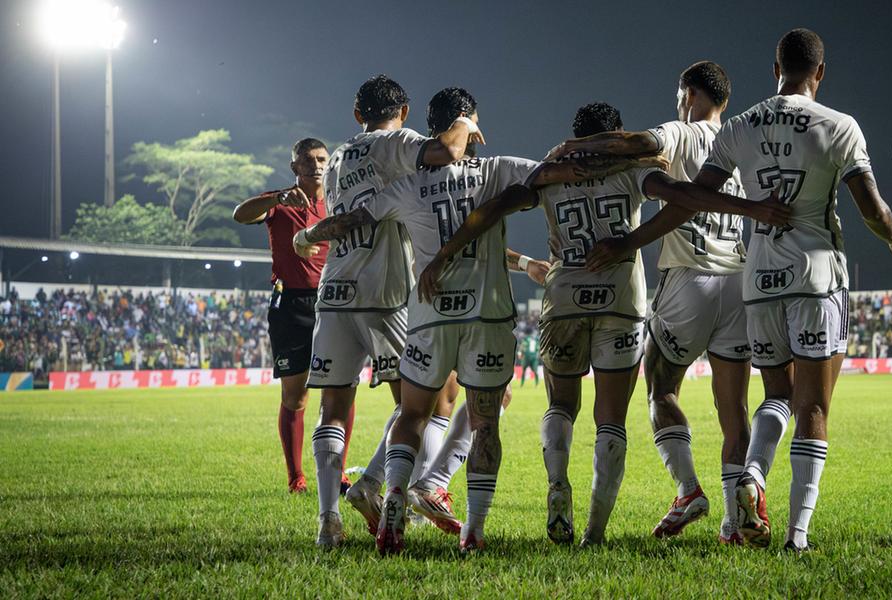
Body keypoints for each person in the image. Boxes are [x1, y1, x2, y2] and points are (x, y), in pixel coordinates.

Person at [298, 88, 649, 554]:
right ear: (465, 124)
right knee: (486, 421)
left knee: (411, 413)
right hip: (485, 317)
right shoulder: (497, 170)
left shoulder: (405, 186)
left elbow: (353, 220)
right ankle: (473, 532)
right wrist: (613, 161)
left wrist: (310, 235)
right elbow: (559, 174)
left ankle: (393, 495)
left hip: (424, 316)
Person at [428, 101, 788, 548]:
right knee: (611, 421)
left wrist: (446, 253)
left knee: (560, 406)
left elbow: (496, 208)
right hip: (621, 302)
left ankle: (558, 483)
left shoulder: (551, 172)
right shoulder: (634, 172)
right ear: (614, 134)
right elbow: (688, 198)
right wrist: (751, 209)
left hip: (563, 300)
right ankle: (595, 532)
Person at [687, 29, 892, 552]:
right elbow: (872, 208)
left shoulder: (739, 125)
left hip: (758, 280)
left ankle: (754, 477)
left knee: (777, 396)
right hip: (815, 277)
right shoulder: (840, 126)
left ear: (775, 70)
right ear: (820, 73)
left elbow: (697, 195)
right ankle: (796, 536)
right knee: (813, 407)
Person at [550, 60, 755, 542]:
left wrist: (579, 146)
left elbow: (639, 143)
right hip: (738, 280)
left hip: (689, 276)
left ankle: (688, 490)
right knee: (735, 408)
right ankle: (736, 518)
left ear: (689, 93)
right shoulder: (738, 143)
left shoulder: (682, 133)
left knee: (662, 386)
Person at [299, 74, 483, 549]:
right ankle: (373, 483)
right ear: (402, 113)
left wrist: (307, 237)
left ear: (356, 115)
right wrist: (464, 121)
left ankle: (327, 519)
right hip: (383, 290)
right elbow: (446, 152)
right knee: (422, 403)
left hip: (334, 288)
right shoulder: (396, 141)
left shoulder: (338, 156)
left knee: (333, 411)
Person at [232, 137, 338, 494]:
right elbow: (240, 214)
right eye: (308, 160)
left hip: (333, 304)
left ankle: (334, 472)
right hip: (291, 306)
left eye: (322, 158)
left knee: (336, 394)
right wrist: (277, 198)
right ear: (295, 167)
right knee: (296, 396)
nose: (317, 165)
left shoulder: (338, 204)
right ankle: (297, 478)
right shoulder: (280, 203)